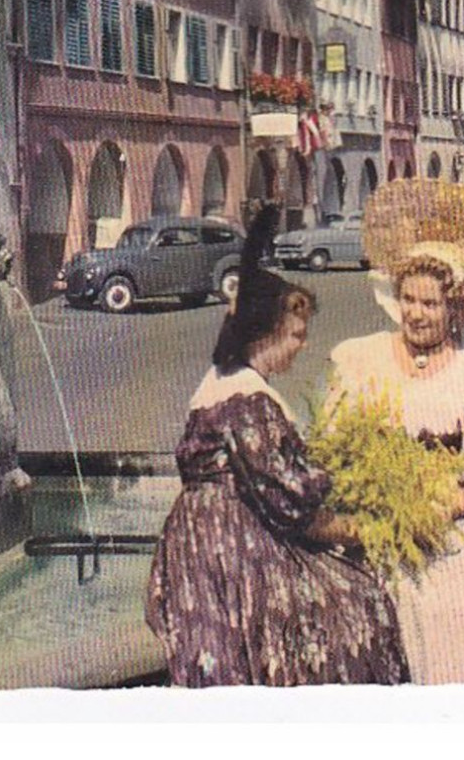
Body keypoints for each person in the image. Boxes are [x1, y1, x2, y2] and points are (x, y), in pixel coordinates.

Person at [145, 205, 408, 687]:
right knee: (359, 605)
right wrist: (358, 529)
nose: (302, 347)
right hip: (230, 552)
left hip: (199, 543)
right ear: (266, 333)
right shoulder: (248, 401)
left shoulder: (221, 380)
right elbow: (289, 502)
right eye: (296, 336)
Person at [327, 240, 464, 684]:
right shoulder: (363, 361)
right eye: (408, 299)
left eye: (431, 303)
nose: (416, 313)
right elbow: (335, 452)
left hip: (454, 553)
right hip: (379, 549)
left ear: (455, 309)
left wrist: (434, 508)